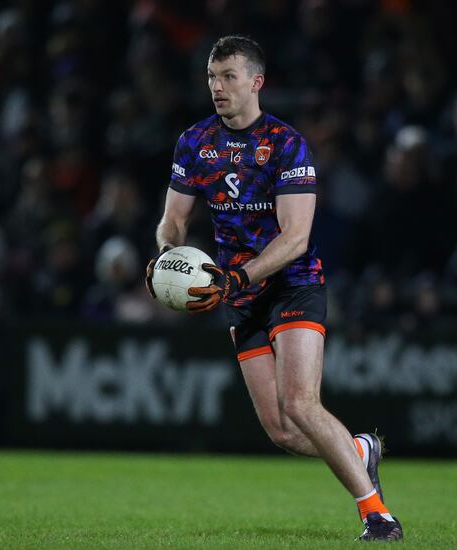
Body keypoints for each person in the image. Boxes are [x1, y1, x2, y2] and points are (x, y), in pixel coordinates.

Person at [144, 35, 403, 542]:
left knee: (300, 403)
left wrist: (239, 276)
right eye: (212, 77)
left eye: (229, 77)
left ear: (256, 82)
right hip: (239, 297)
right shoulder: (194, 142)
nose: (217, 87)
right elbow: (173, 220)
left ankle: (378, 516)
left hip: (293, 284)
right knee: (282, 431)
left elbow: (297, 237)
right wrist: (168, 256)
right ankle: (359, 450)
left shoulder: (286, 144)